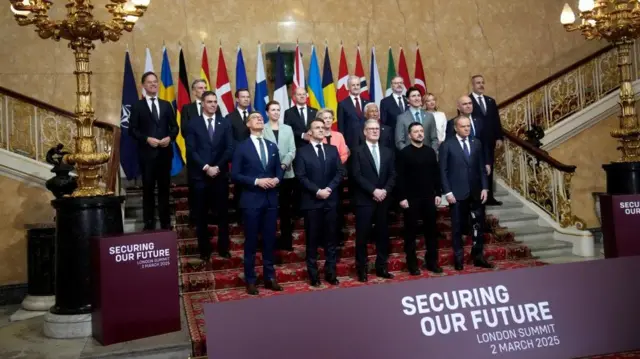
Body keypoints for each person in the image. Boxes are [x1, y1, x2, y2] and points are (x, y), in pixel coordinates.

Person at [231, 112, 284, 295]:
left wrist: (277, 179)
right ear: (248, 124)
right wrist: (256, 182)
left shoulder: (272, 145)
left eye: (261, 118)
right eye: (255, 118)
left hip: (270, 200)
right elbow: (235, 175)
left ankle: (270, 277)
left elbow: (279, 170)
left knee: (270, 241)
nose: (260, 119)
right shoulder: (241, 147)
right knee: (252, 242)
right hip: (251, 200)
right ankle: (251, 279)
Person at [294, 118, 345, 286]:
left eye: (323, 128)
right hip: (312, 202)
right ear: (310, 132)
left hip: (331, 200)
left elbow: (339, 172)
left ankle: (331, 273)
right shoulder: (302, 151)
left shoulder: (332, 150)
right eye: (317, 128)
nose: (321, 130)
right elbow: (301, 176)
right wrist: (317, 191)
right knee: (313, 240)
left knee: (331, 239)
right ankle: (313, 275)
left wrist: (328, 189)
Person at [439, 116, 493, 271]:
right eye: (463, 126)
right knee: (457, 227)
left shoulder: (476, 143)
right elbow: (443, 171)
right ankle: (458, 258)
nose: (467, 129)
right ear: (456, 128)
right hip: (456, 193)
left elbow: (481, 167)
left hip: (476, 192)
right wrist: (447, 192)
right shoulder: (447, 145)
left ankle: (478, 256)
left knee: (479, 225)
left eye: (468, 126)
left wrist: (485, 188)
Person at [184, 91, 233, 261]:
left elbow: (229, 148)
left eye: (215, 102)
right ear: (202, 104)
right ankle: (204, 250)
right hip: (200, 176)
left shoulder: (224, 123)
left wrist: (217, 167)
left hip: (219, 176)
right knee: (201, 215)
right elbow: (191, 150)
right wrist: (206, 167)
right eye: (209, 102)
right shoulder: (193, 124)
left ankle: (223, 248)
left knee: (222, 214)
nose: (213, 104)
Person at [128, 71, 178, 230]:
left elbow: (175, 127)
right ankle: (148, 223)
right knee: (148, 190)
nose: (153, 84)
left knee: (164, 190)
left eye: (155, 82)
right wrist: (147, 139)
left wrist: (170, 138)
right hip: (147, 155)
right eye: (149, 82)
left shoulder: (166, 104)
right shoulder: (137, 106)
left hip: (165, 154)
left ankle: (165, 222)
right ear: (143, 85)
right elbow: (132, 130)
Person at [351, 119, 396, 282]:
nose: (375, 131)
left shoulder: (388, 151)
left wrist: (384, 190)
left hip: (383, 199)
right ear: (364, 132)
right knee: (362, 236)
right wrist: (373, 190)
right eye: (371, 129)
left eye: (377, 128)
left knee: (383, 235)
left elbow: (392, 174)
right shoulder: (357, 151)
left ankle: (381, 266)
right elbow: (356, 175)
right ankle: (361, 269)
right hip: (365, 199)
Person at [396, 122, 442, 275]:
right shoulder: (404, 153)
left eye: (421, 131)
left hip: (429, 197)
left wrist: (438, 193)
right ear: (409, 135)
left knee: (431, 232)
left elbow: (436, 174)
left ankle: (432, 262)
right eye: (416, 131)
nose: (419, 134)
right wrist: (401, 197)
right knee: (411, 233)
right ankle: (412, 264)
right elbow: (400, 177)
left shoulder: (430, 152)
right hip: (411, 199)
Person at [262, 100, 296, 251]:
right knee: (269, 210)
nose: (276, 112)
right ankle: (269, 242)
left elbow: (292, 150)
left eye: (278, 109)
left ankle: (286, 242)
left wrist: (283, 165)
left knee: (285, 210)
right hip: (269, 175)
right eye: (273, 110)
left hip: (287, 174)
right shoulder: (262, 129)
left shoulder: (288, 128)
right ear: (267, 112)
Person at [469, 74, 504, 206]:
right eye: (478, 83)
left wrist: (499, 137)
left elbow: (496, 120)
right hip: (475, 141)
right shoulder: (468, 101)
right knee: (476, 168)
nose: (481, 85)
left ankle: (489, 197)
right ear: (473, 85)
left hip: (489, 141)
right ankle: (477, 196)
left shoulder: (490, 101)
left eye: (482, 82)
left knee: (489, 168)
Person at [395, 86, 438, 151]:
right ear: (407, 99)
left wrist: (432, 153)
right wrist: (408, 155)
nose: (417, 98)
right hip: (409, 157)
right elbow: (399, 141)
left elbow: (434, 139)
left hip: (428, 156)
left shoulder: (429, 116)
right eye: (413, 96)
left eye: (418, 95)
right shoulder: (401, 118)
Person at [337, 75, 370, 148]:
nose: (356, 87)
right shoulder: (342, 104)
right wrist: (344, 144)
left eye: (358, 85)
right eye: (353, 85)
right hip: (351, 142)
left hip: (366, 139)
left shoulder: (367, 102)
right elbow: (341, 126)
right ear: (348, 87)